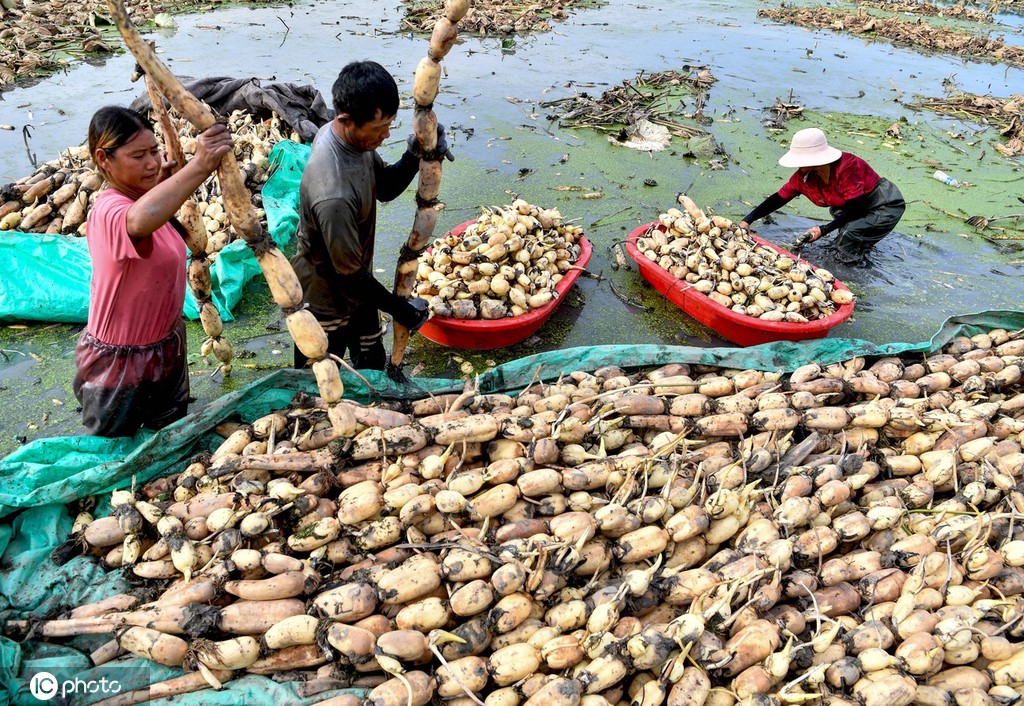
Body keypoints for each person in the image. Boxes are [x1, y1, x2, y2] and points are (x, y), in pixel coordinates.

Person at [74, 106, 233, 436]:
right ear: (104, 159)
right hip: (119, 366)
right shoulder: (107, 209)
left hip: (167, 349)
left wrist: (165, 183)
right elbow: (137, 222)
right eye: (138, 156)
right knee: (116, 461)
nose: (151, 162)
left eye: (154, 151)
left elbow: (154, 215)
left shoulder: (152, 201)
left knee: (171, 447)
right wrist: (200, 166)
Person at [291, 60, 450, 371]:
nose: (386, 135)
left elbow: (385, 188)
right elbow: (348, 276)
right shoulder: (332, 193)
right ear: (347, 120)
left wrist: (418, 152)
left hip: (358, 286)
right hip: (328, 299)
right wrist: (401, 312)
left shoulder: (351, 139)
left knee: (372, 366)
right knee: (321, 384)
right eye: (380, 129)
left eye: (390, 125)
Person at [740, 127, 905, 264]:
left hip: (882, 204)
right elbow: (778, 198)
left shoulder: (846, 167)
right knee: (847, 238)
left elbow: (857, 206)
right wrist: (748, 220)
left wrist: (823, 230)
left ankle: (852, 273)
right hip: (852, 207)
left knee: (850, 234)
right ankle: (857, 249)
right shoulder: (803, 177)